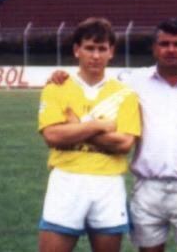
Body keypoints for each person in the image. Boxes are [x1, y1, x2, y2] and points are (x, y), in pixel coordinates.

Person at [50, 18, 177, 252]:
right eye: (164, 44)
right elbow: (96, 79)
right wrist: (62, 76)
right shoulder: (134, 82)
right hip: (147, 188)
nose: (171, 50)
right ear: (154, 48)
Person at [38, 17, 141, 252]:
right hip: (66, 180)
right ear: (77, 50)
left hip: (108, 185)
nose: (95, 55)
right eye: (89, 48)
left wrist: (76, 126)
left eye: (102, 49)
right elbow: (53, 136)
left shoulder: (125, 94)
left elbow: (124, 143)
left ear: (111, 52)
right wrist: (99, 125)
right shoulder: (57, 87)